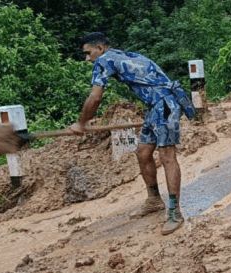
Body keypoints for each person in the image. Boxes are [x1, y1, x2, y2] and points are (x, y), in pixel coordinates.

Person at [70, 32, 187, 235]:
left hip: (165, 105)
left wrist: (81, 123)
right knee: (142, 152)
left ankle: (174, 212)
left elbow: (95, 97)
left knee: (167, 156)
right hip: (157, 105)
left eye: (88, 53)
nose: (87, 59)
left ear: (100, 48)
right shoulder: (123, 55)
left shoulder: (104, 60)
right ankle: (154, 200)